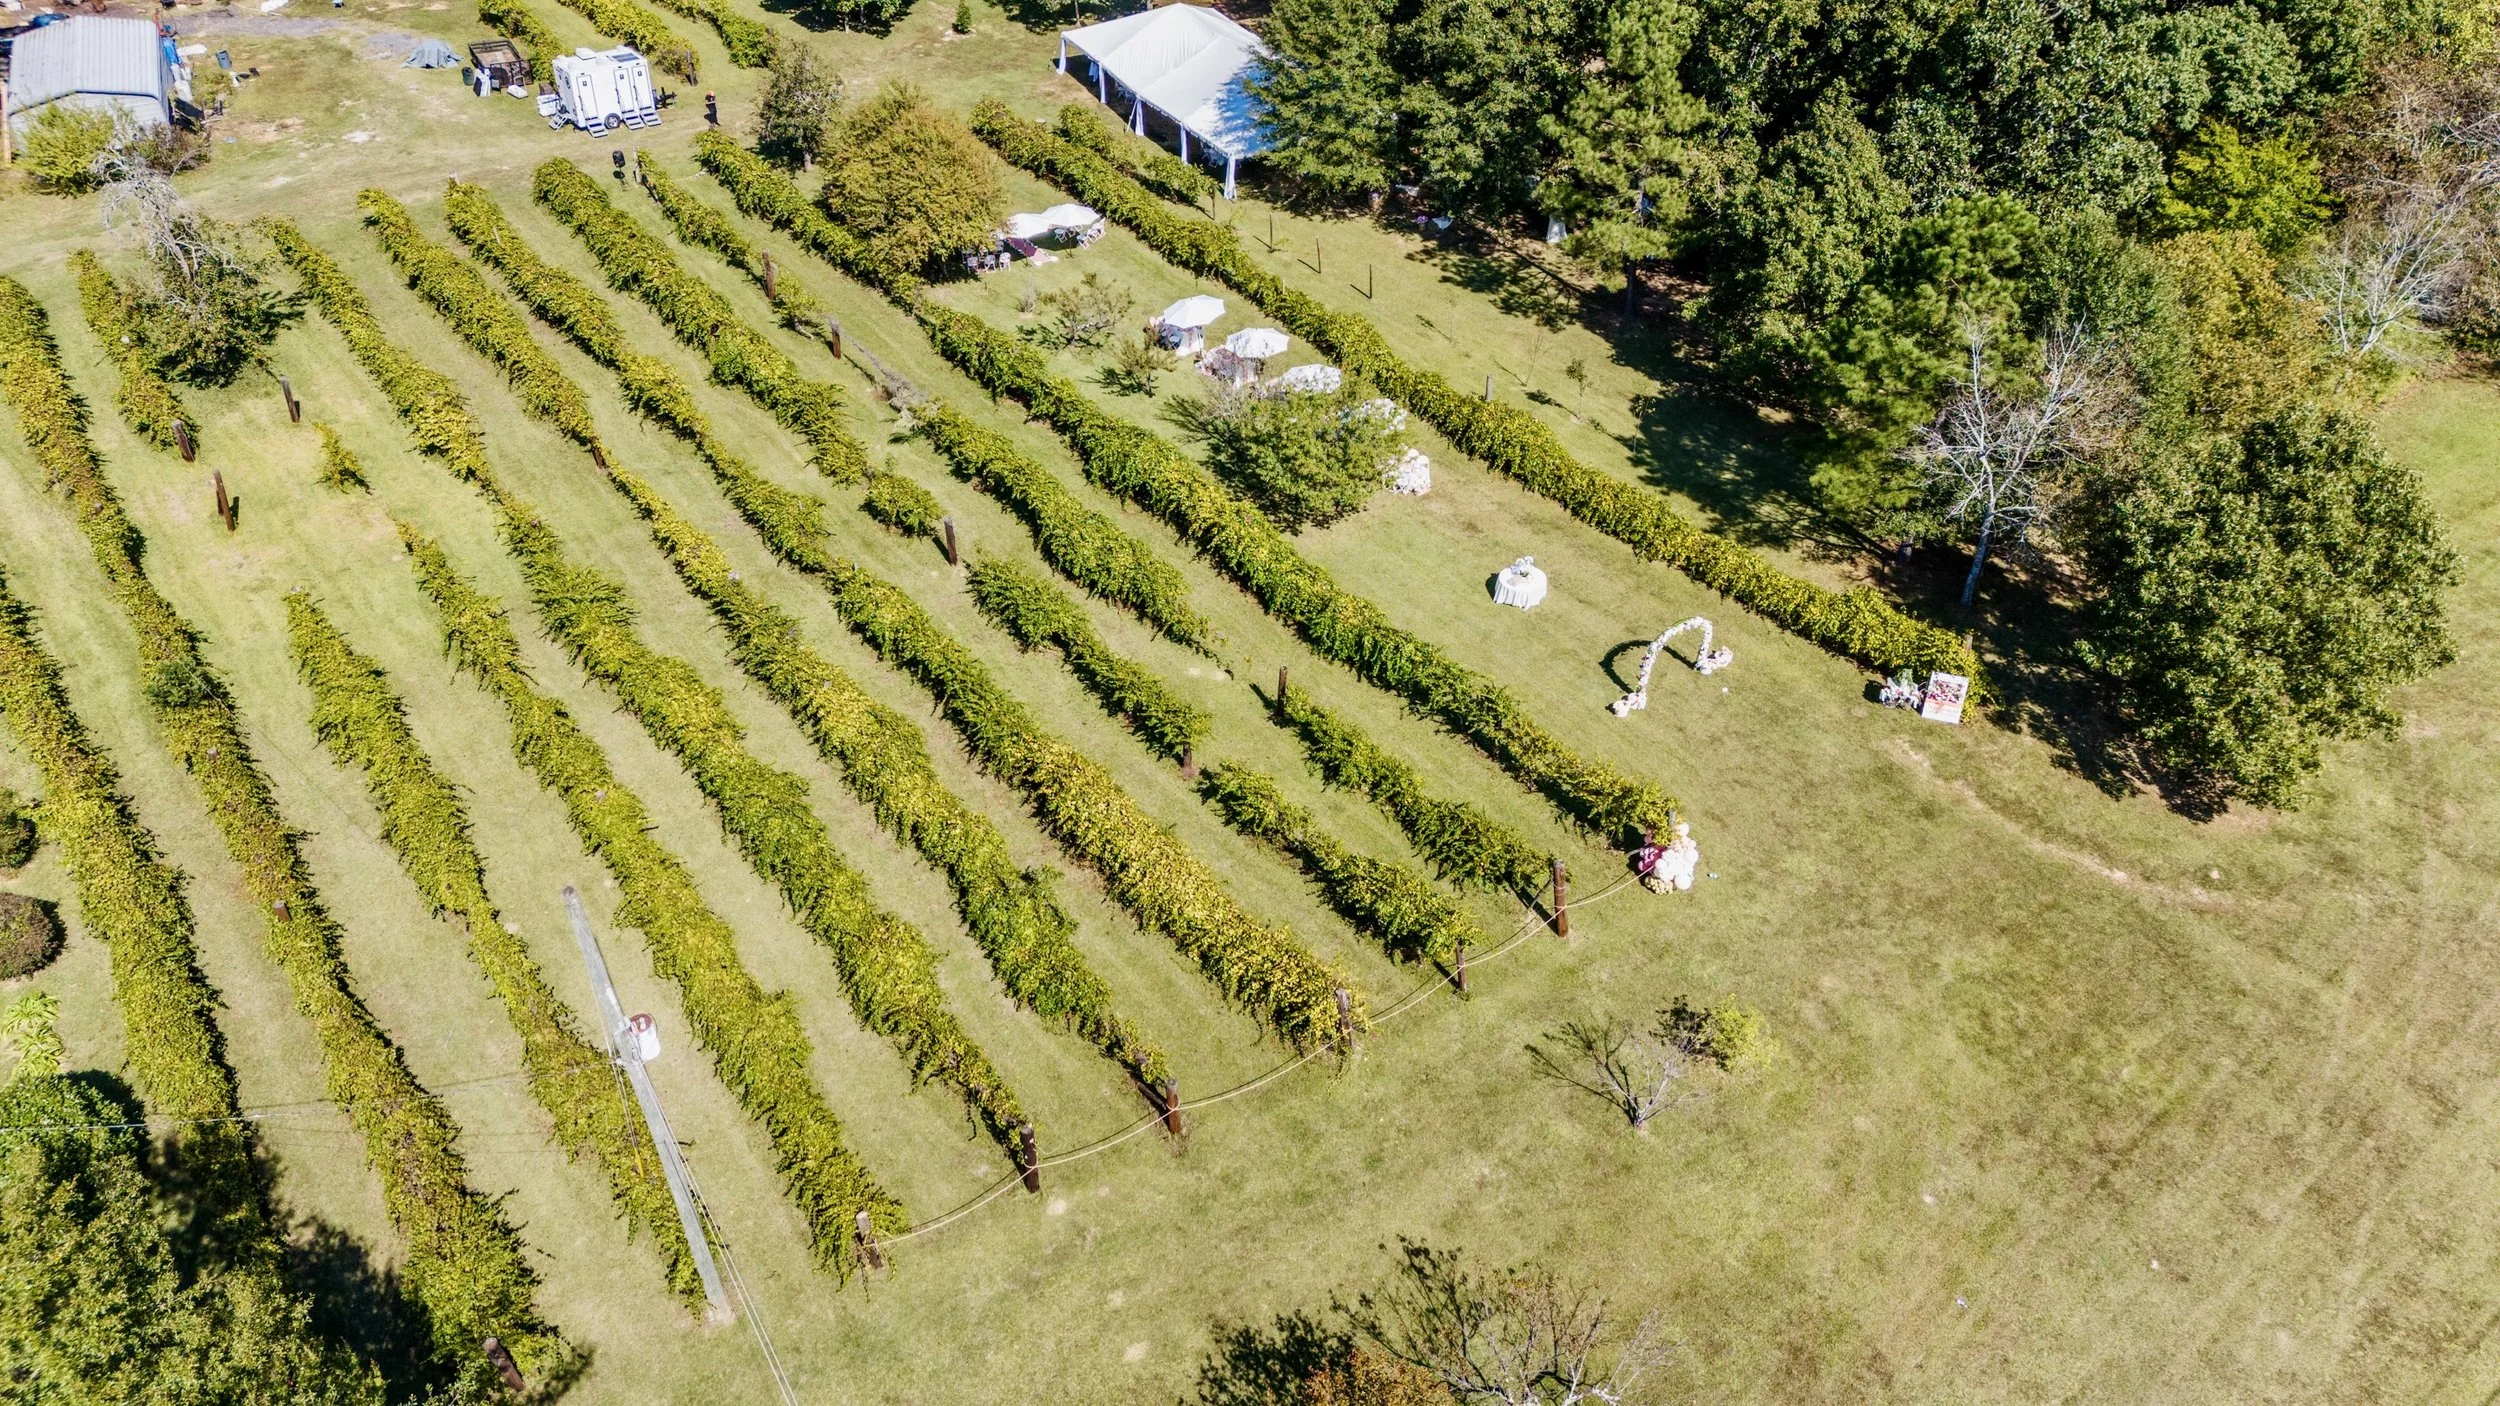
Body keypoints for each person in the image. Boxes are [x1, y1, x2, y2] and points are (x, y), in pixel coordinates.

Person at [1654, 821, 1699, 894]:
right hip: (1672, 862)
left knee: (1663, 868)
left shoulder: (1685, 860)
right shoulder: (1678, 844)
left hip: (1675, 866)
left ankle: (1667, 881)